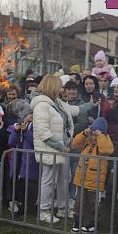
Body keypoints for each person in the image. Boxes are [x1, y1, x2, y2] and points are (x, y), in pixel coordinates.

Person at [31, 74, 87, 223]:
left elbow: (75, 110)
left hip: (62, 149)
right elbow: (43, 132)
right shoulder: (41, 105)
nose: (62, 89)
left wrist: (92, 104)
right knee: (48, 181)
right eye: (60, 86)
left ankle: (63, 208)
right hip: (51, 149)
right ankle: (43, 211)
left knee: (64, 178)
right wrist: (61, 147)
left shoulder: (58, 103)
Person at [70, 118, 114, 233]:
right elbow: (75, 143)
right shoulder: (87, 140)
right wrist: (85, 133)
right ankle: (77, 221)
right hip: (81, 179)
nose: (93, 133)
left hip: (95, 180)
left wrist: (100, 135)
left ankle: (91, 224)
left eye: (96, 131)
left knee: (93, 204)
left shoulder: (105, 140)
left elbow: (107, 150)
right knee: (79, 202)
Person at [6, 104, 38, 214]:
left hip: (30, 160)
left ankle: (30, 207)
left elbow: (35, 142)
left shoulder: (36, 127)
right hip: (17, 159)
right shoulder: (17, 126)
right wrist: (16, 131)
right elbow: (11, 142)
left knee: (30, 185)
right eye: (29, 114)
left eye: (33, 114)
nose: (31, 116)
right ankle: (17, 203)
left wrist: (25, 132)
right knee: (16, 182)